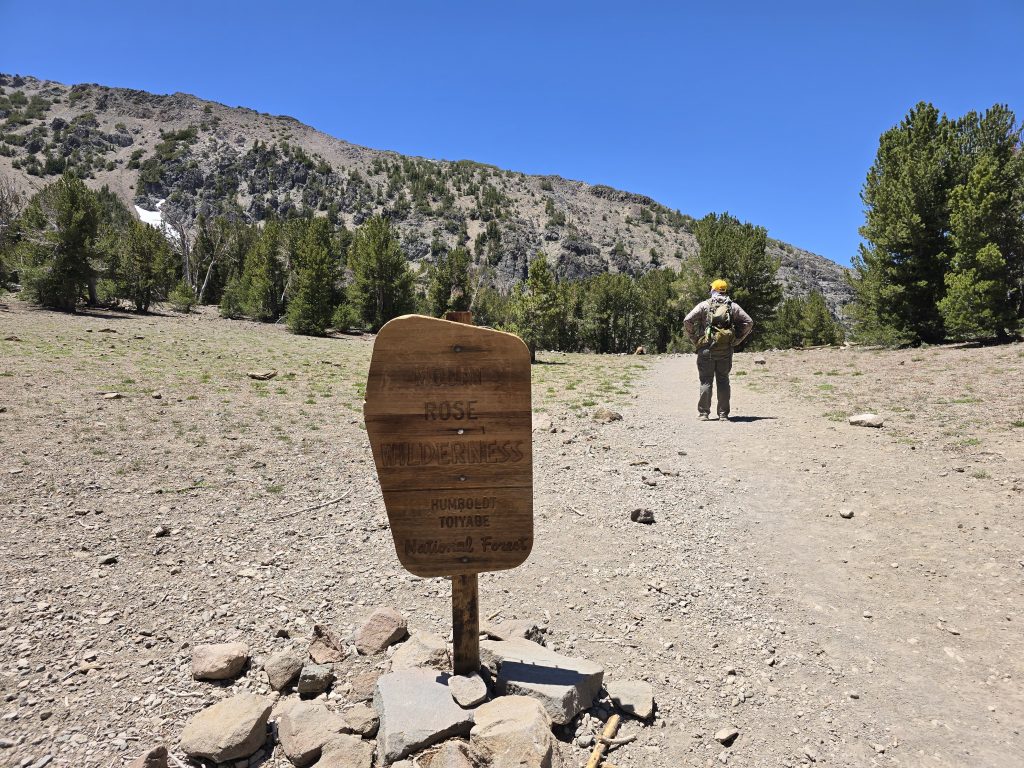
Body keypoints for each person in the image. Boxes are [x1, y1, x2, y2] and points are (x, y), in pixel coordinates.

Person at [683, 279, 754, 421]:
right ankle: (723, 414)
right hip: (725, 349)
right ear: (724, 290)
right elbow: (749, 322)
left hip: (706, 348)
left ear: (713, 290)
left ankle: (704, 414)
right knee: (723, 380)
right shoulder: (732, 306)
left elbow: (687, 320)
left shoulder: (704, 305)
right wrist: (737, 339)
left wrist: (695, 339)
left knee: (706, 381)